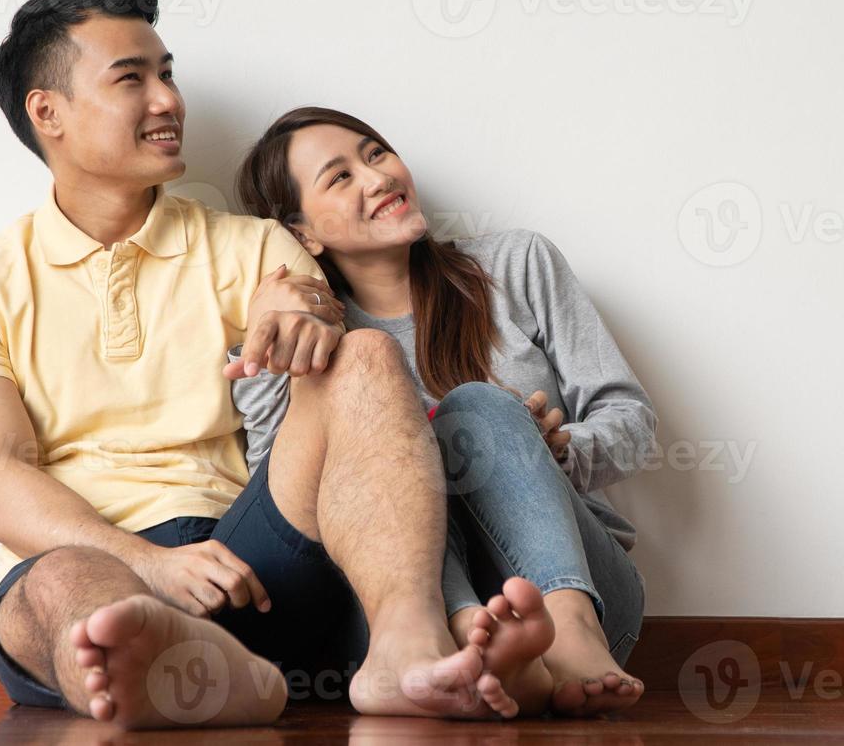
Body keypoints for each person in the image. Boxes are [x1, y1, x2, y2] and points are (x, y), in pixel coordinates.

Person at [0, 0, 546, 730]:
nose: (168, 100)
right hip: (96, 562)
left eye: (167, 73)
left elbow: (315, 327)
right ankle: (206, 669)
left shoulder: (253, 247)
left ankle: (402, 651)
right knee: (57, 593)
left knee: (367, 357)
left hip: (253, 556)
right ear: (47, 112)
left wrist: (305, 313)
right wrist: (146, 565)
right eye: (132, 79)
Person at [228, 107, 658, 716]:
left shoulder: (518, 265)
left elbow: (633, 423)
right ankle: (485, 651)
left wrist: (559, 449)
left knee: (476, 406)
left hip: (585, 585)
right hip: (403, 631)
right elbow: (290, 499)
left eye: (375, 153)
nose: (377, 177)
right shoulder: (298, 344)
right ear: (303, 235)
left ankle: (569, 637)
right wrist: (279, 329)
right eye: (340, 176)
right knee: (409, 476)